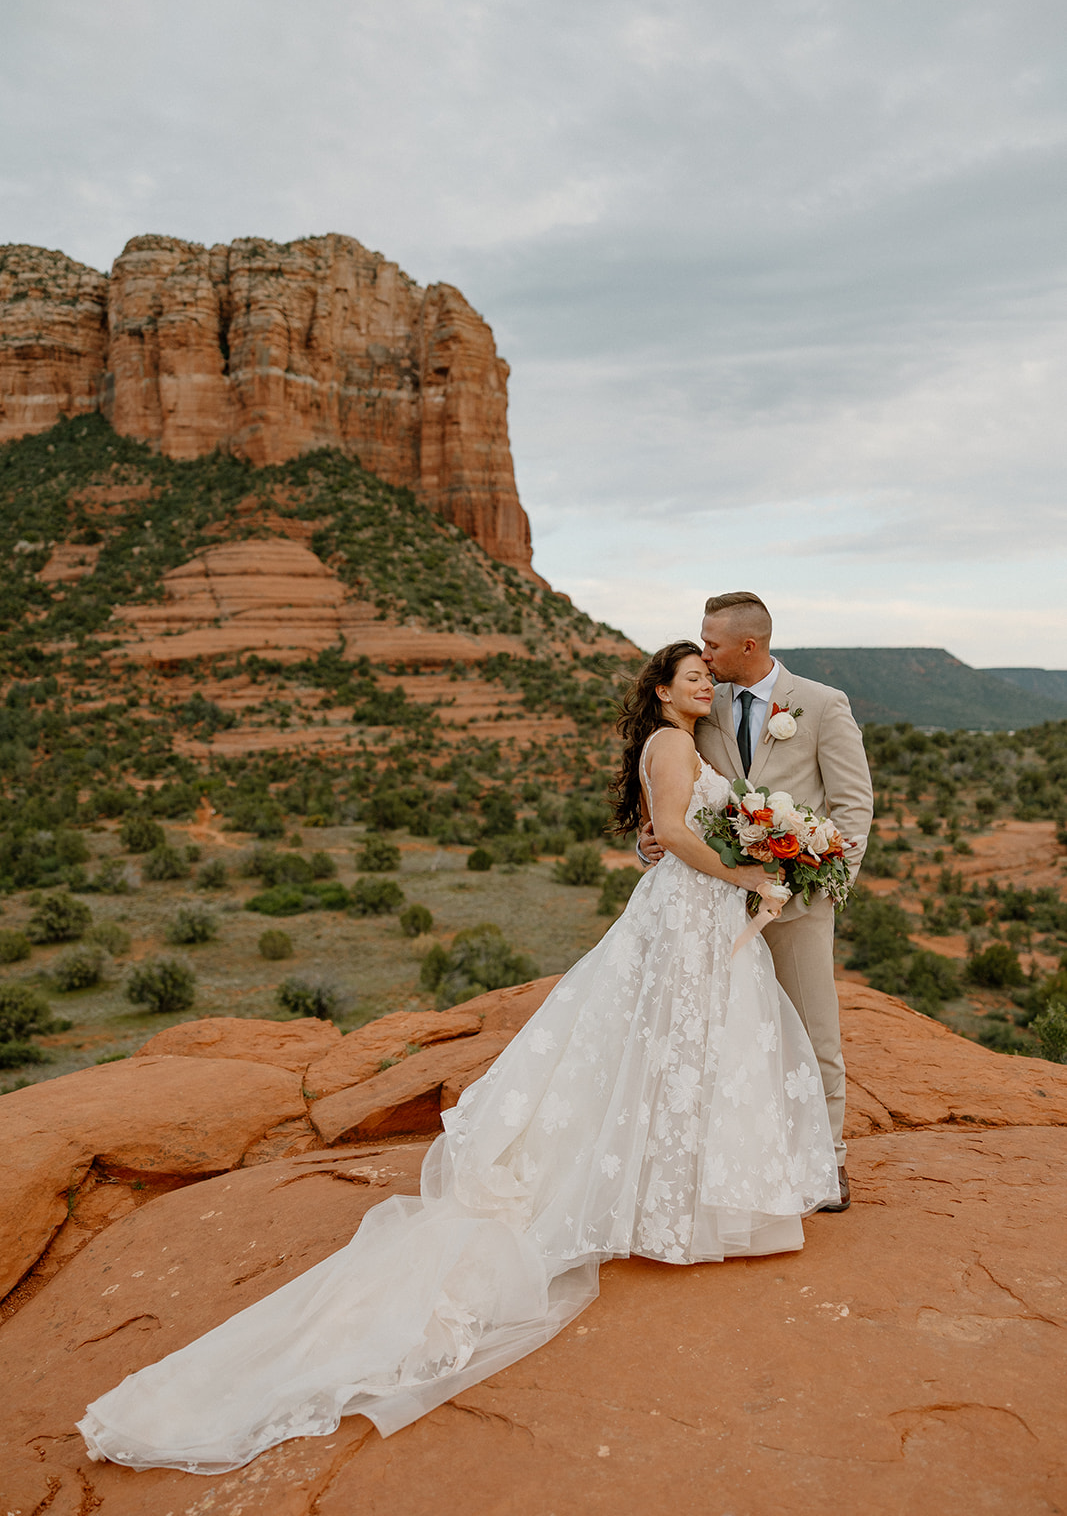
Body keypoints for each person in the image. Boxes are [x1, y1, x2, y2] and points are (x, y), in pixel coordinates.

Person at [77, 643, 839, 1476]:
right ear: (662, 690)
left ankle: (684, 1194)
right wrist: (748, 873)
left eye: (706, 674)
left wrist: (760, 854)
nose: (702, 683)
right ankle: (672, 1203)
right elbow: (667, 833)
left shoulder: (691, 743)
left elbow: (677, 828)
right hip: (690, 910)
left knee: (688, 1050)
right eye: (688, 675)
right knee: (673, 1046)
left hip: (697, 910)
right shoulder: (668, 744)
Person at [639, 594, 874, 1209]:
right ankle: (745, 1160)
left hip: (797, 905)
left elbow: (852, 806)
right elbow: (676, 806)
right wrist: (652, 844)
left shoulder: (821, 705)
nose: (704, 654)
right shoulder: (698, 706)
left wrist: (828, 886)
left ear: (749, 645)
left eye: (712, 644)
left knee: (811, 1030)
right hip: (715, 906)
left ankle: (830, 1161)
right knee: (729, 1036)